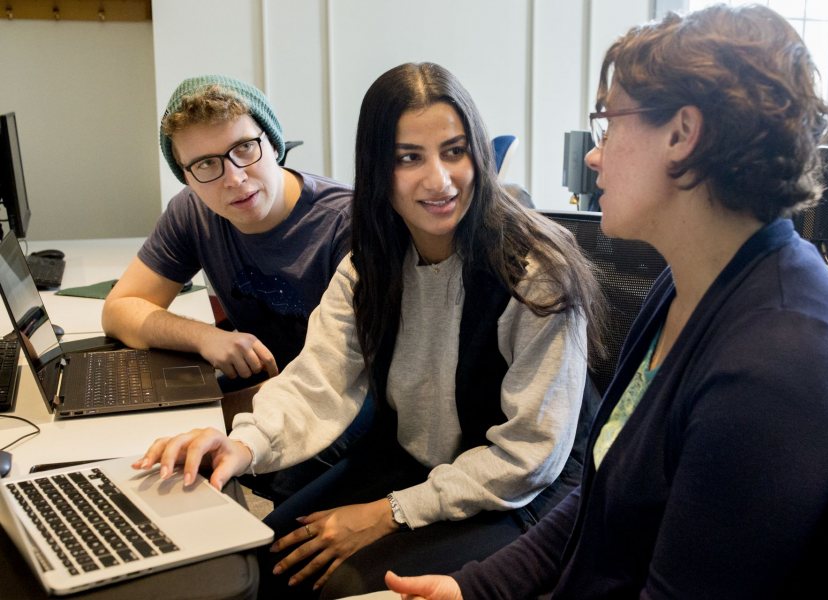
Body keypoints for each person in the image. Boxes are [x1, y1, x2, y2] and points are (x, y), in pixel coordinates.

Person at [386, 5, 828, 599]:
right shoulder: (689, 283)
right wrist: (475, 590)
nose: (594, 156)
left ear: (682, 134)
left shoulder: (781, 365)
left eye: (609, 124)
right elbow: (602, 494)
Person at [133, 62, 606, 598]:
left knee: (333, 584)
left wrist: (390, 513)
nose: (440, 179)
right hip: (415, 462)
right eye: (409, 158)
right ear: (378, 168)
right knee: (260, 565)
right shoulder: (370, 263)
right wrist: (243, 444)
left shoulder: (534, 273)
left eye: (455, 150)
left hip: (522, 494)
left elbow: (529, 457)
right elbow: (320, 379)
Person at [101, 75, 352, 393]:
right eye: (206, 164)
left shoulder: (346, 223)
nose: (233, 178)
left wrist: (231, 415)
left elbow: (355, 379)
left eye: (245, 148)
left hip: (333, 409)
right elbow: (119, 310)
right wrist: (205, 337)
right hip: (268, 395)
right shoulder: (193, 212)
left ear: (274, 145)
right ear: (187, 178)